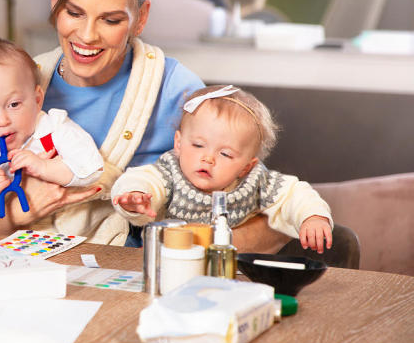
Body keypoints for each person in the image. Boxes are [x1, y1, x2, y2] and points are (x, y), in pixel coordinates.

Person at [0, 0, 207, 245]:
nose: (87, 36)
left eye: (111, 20)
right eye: (74, 12)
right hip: (35, 276)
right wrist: (18, 217)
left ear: (141, 18)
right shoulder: (16, 90)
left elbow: (249, 204)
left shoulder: (178, 92)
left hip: (138, 280)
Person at [111, 85, 334, 253]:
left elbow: (294, 193)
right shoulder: (170, 171)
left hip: (229, 265)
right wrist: (136, 196)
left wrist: (313, 217)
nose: (208, 158)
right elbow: (143, 179)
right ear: (178, 143)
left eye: (225, 154)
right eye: (198, 145)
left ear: (246, 167)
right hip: (170, 260)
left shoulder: (255, 181)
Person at [0, 39, 103, 226]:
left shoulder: (54, 127)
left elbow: (92, 168)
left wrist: (43, 167)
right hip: (14, 242)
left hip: (73, 231)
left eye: (13, 105)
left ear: (37, 99)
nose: (2, 121)